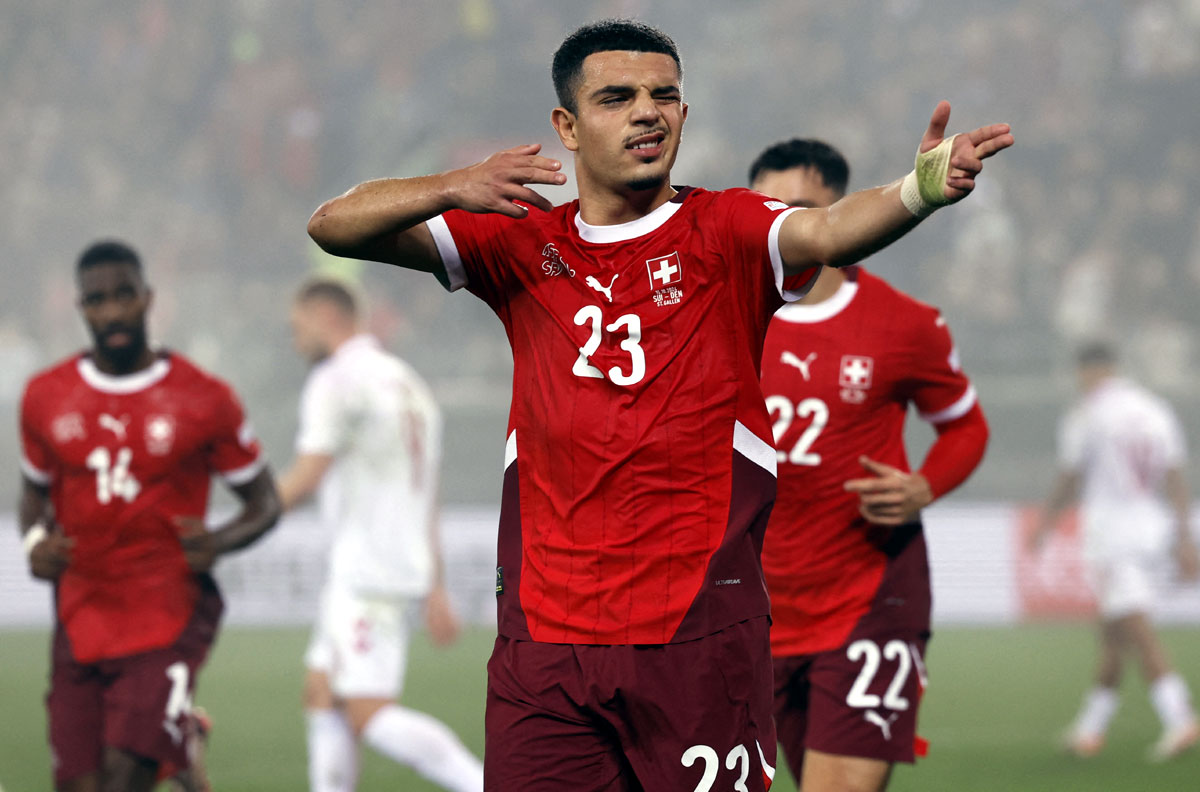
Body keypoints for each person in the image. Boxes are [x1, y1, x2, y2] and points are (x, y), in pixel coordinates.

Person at [306, 19, 1012, 790]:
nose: (649, 111)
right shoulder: (515, 244)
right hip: (545, 647)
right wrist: (446, 186)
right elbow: (332, 227)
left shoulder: (728, 230)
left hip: (698, 638)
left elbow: (832, 231)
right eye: (618, 97)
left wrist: (917, 191)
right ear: (566, 128)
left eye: (665, 96)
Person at [749, 139, 989, 792]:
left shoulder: (903, 324)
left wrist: (925, 485)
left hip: (871, 598)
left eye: (799, 208)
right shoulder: (723, 317)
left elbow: (964, 425)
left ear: (845, 211)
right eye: (766, 208)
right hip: (749, 609)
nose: (784, 223)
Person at [17, 240, 281, 792]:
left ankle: (172, 732)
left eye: (124, 296)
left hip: (168, 615)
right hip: (80, 617)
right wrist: (34, 542)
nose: (112, 312)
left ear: (148, 298)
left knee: (122, 783)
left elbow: (265, 501)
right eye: (97, 301)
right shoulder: (45, 397)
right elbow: (33, 495)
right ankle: (182, 738)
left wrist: (220, 541)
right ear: (80, 308)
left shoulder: (204, 398)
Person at [278, 277, 483, 792]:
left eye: (298, 327)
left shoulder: (336, 380)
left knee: (368, 712)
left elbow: (305, 477)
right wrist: (436, 584)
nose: (294, 340)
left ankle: (484, 783)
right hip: (391, 564)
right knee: (321, 692)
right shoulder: (408, 382)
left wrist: (232, 523)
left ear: (327, 317)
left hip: (366, 572)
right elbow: (426, 495)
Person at [1031, 342, 1200, 761]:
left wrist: (1047, 522)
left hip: (1113, 535)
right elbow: (1176, 475)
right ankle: (1090, 729)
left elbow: (1071, 474)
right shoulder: (1154, 409)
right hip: (1152, 527)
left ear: (1088, 371)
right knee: (1114, 632)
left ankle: (1180, 718)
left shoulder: (1089, 414)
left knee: (1137, 630)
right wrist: (1184, 537)